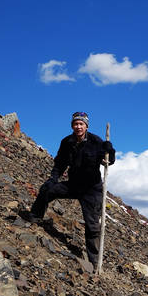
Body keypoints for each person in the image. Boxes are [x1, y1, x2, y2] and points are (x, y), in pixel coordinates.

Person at [28, 111, 115, 268]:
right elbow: (60, 163)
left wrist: (110, 150)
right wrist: (53, 178)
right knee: (47, 190)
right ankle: (34, 218)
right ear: (72, 125)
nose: (78, 126)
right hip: (73, 184)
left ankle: (94, 262)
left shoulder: (96, 141)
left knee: (92, 226)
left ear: (86, 126)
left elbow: (107, 161)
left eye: (81, 124)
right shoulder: (66, 142)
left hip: (91, 189)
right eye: (76, 124)